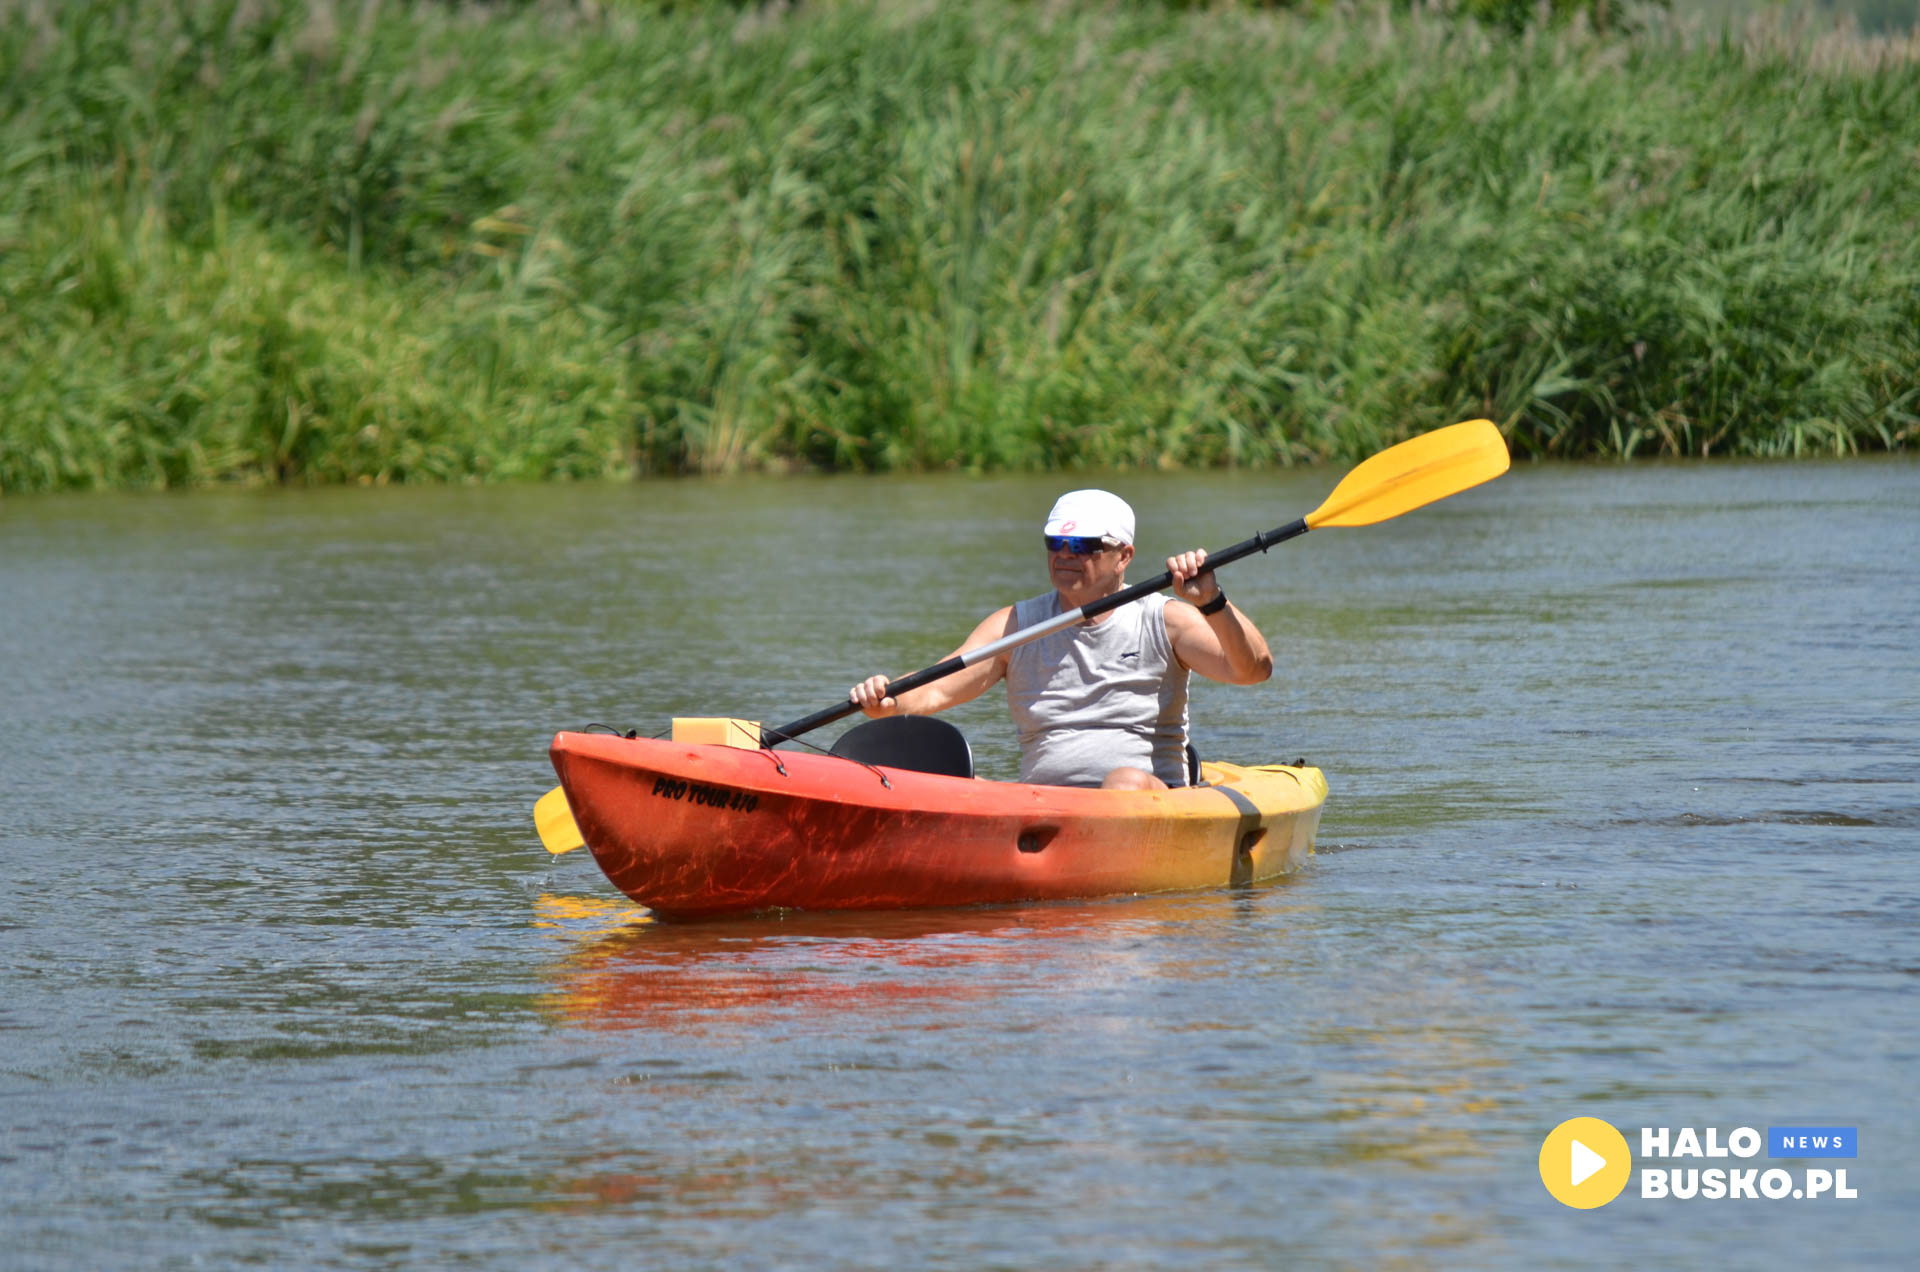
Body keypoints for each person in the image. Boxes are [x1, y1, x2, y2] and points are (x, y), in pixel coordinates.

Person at [849, 489, 1273, 790]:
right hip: (1044, 807)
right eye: (1056, 542)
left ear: (1123, 556)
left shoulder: (1166, 620)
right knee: (953, 783)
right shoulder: (1016, 625)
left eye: (1083, 545)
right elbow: (937, 687)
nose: (1065, 554)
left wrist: (1211, 601)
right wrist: (888, 700)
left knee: (1122, 783)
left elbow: (1253, 670)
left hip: (1146, 800)